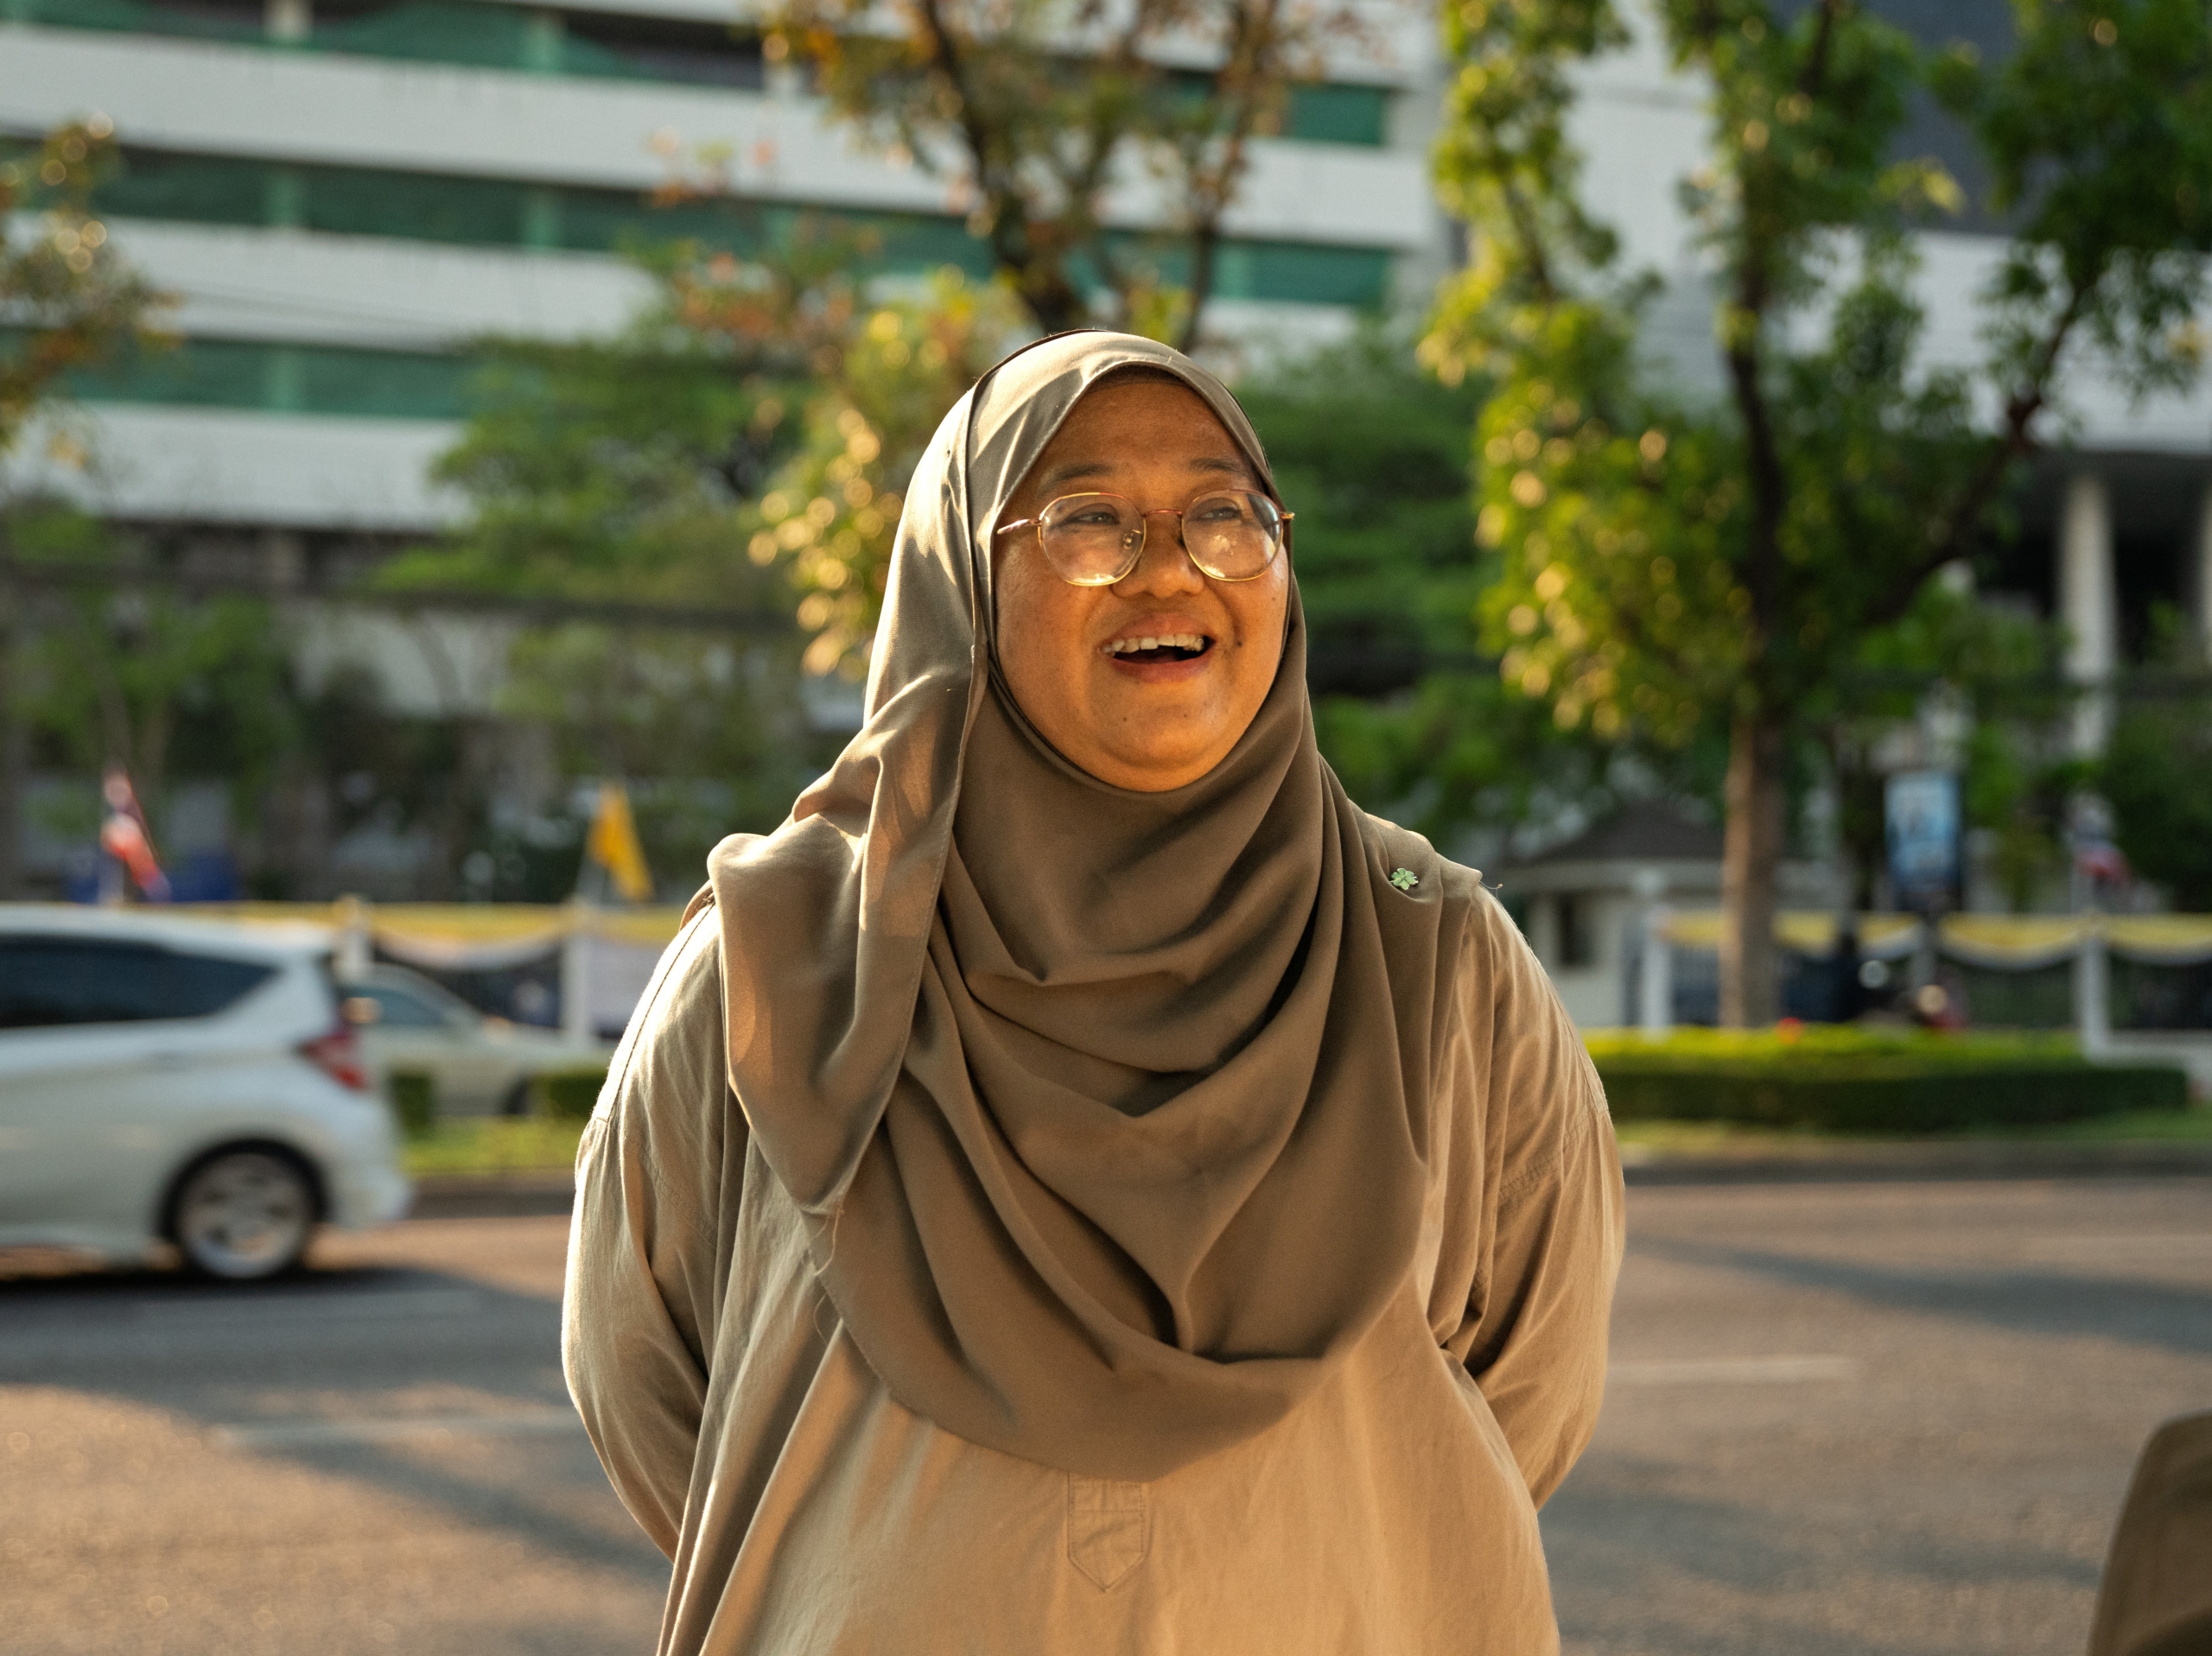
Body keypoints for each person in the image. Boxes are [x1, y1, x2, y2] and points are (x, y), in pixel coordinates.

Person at [563, 330, 1624, 1653]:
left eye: (1224, 514)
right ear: (961, 579)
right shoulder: (777, 967)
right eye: (1086, 518)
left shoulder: (1439, 961)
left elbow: (1527, 1389)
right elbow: (657, 1390)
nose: (1169, 566)